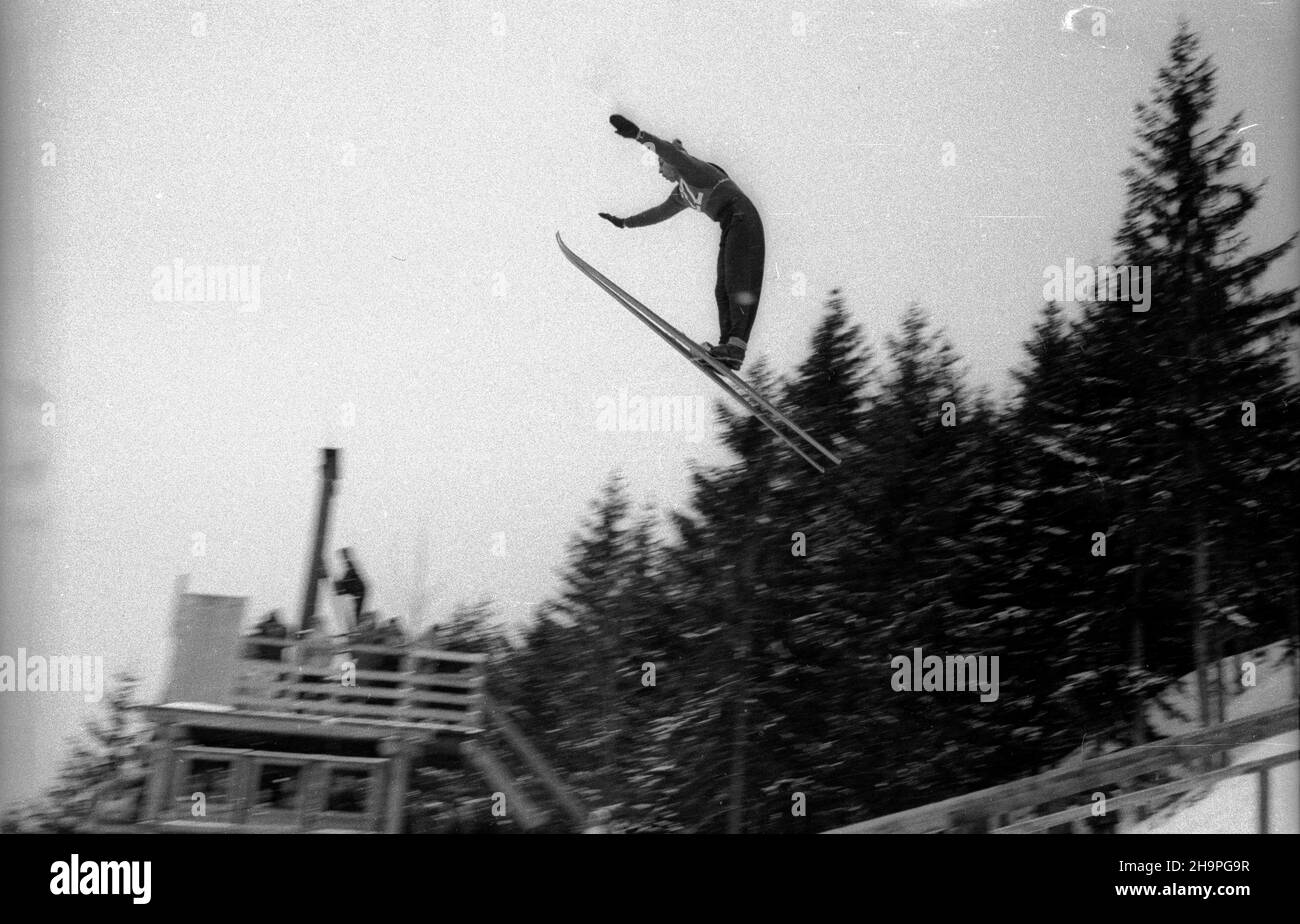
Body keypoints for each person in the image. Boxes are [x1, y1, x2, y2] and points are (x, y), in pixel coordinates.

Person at [599, 114, 765, 371]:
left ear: (674, 160)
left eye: (661, 164)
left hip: (743, 218)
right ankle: (726, 348)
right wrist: (624, 222)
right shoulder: (681, 194)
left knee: (737, 282)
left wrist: (638, 135)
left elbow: (666, 149)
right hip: (730, 223)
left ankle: (736, 346)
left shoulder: (691, 169)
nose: (659, 170)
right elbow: (657, 213)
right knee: (722, 288)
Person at [333, 548, 367, 628]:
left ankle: (356, 624)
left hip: (360, 590)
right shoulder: (346, 586)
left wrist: (345, 555)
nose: (340, 593)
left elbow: (351, 567)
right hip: (358, 590)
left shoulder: (347, 579)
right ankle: (355, 623)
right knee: (356, 609)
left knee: (357, 609)